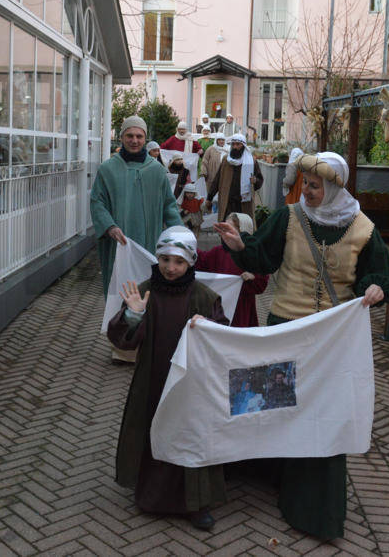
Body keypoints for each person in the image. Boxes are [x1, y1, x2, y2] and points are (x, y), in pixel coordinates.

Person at [213, 151, 389, 541]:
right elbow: (263, 258)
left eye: (315, 186)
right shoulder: (289, 217)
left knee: (321, 411)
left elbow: (379, 275)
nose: (308, 191)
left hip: (332, 338)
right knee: (271, 400)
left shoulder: (363, 228)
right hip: (285, 327)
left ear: (333, 188)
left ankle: (312, 503)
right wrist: (239, 246)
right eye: (305, 184)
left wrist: (376, 288)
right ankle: (264, 471)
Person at [107, 226, 229, 531]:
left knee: (191, 434)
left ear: (190, 263)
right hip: (153, 380)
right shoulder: (145, 290)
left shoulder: (204, 296)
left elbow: (225, 341)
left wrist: (211, 328)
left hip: (192, 385)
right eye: (165, 259)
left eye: (178, 262)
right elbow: (122, 340)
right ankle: (154, 496)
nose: (171, 268)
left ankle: (195, 503)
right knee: (155, 430)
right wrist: (133, 315)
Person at [90, 115, 182, 361]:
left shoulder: (157, 171)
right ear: (121, 138)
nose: (134, 140)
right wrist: (109, 226)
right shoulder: (108, 169)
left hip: (149, 247)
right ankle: (121, 348)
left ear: (145, 139)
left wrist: (181, 239)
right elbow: (97, 202)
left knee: (148, 293)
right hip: (118, 247)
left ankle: (144, 345)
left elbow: (169, 207)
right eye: (129, 136)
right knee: (120, 291)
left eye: (139, 136)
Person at [195, 212, 268, 327]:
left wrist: (252, 277)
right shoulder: (218, 252)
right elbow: (202, 261)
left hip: (242, 310)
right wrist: (189, 246)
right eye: (225, 229)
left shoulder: (252, 255)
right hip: (221, 309)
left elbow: (261, 283)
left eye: (231, 230)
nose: (227, 234)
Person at [206, 134, 263, 223]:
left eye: (238, 144)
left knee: (242, 227)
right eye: (233, 144)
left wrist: (255, 181)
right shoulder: (226, 160)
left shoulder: (252, 161)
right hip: (227, 200)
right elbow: (217, 180)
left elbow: (260, 180)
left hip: (243, 202)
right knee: (226, 226)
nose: (235, 147)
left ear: (243, 146)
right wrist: (209, 198)